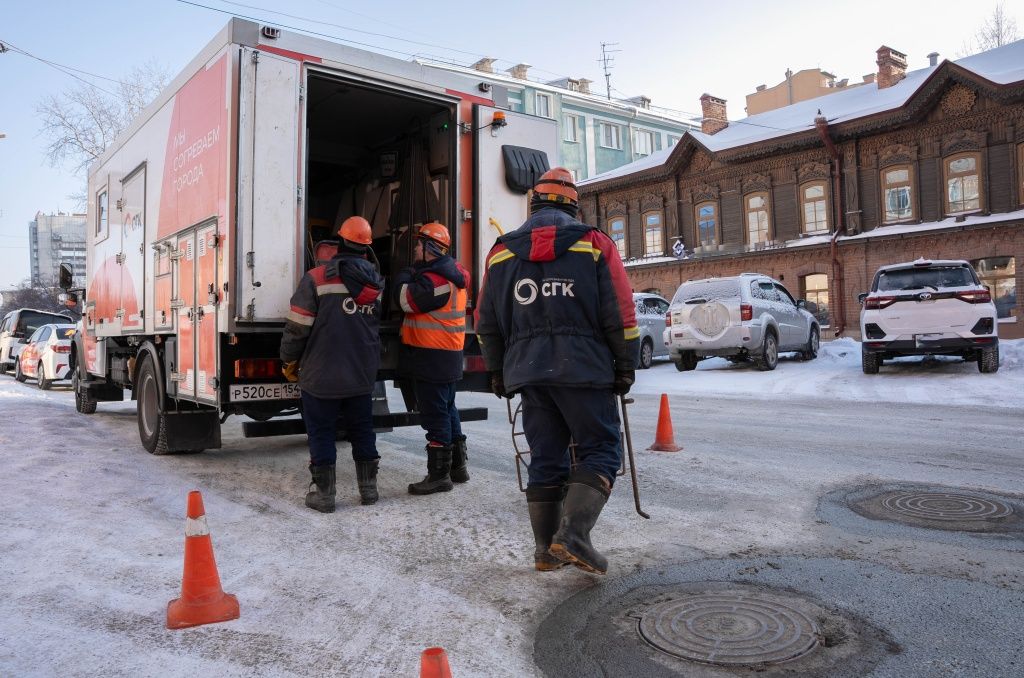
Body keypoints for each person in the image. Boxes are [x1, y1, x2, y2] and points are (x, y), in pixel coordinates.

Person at [475, 168, 638, 574]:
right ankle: (575, 536)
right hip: (584, 369)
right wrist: (625, 363)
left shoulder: (500, 253)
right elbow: (620, 312)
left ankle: (546, 552)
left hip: (529, 372)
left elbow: (486, 321)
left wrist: (497, 370)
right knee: (599, 449)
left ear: (533, 204)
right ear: (573, 205)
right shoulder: (595, 244)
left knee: (546, 457)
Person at [280, 216, 385, 513]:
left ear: (339, 242)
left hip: (321, 374)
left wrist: (288, 360)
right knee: (363, 430)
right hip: (361, 374)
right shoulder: (376, 283)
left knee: (322, 432)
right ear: (367, 248)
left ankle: (324, 495)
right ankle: (369, 490)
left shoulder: (316, 278)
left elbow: (297, 328)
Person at [395, 222, 471, 495]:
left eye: (418, 244)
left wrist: (403, 274)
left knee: (435, 414)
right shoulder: (451, 275)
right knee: (448, 409)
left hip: (432, 356)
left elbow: (405, 300)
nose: (415, 248)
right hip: (446, 355)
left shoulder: (437, 282)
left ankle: (439, 476)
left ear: (430, 249)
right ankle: (458, 468)